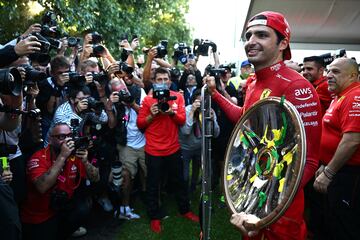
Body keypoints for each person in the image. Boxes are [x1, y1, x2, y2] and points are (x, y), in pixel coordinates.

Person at [205, 11, 322, 240]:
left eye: (261, 35)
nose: (251, 41)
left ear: (283, 43)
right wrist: (215, 94)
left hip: (280, 212)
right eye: (248, 35)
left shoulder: (298, 87)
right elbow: (244, 121)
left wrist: (269, 212)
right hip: (254, 190)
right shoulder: (253, 83)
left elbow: (309, 160)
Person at [137, 67, 199, 233]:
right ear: (154, 81)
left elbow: (182, 121)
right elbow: (140, 124)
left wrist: (171, 112)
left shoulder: (177, 97)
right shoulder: (148, 100)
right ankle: (155, 217)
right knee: (153, 185)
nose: (163, 82)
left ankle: (185, 210)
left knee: (180, 181)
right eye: (159, 79)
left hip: (173, 148)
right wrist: (151, 115)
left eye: (166, 79)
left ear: (170, 81)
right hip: (153, 150)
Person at [20, 122, 100, 240]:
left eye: (69, 136)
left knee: (83, 207)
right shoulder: (39, 157)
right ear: (50, 139)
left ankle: (65, 232)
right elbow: (42, 187)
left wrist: (85, 161)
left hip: (61, 208)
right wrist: (62, 156)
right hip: (39, 216)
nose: (67, 140)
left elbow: (96, 178)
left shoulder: (74, 155)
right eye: (62, 137)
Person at [313, 58, 360, 240]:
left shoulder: (354, 96)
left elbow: (352, 140)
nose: (329, 76)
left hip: (348, 174)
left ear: (353, 75)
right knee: (331, 221)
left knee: (345, 226)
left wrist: (329, 172)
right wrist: (325, 165)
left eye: (336, 72)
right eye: (329, 71)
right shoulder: (340, 96)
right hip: (336, 169)